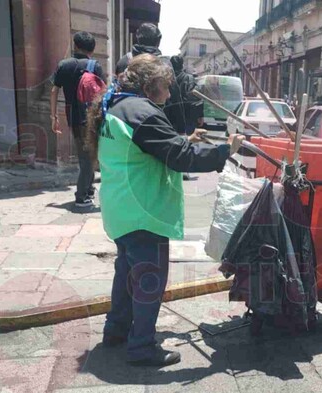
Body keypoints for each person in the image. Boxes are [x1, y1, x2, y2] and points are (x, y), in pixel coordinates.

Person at [86, 54, 245, 367]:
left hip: (122, 210)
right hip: (142, 212)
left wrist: (185, 138)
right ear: (150, 85)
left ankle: (116, 331)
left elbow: (151, 145)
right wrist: (226, 149)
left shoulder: (118, 105)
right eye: (166, 87)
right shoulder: (143, 112)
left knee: (126, 275)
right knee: (148, 280)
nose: (170, 94)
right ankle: (141, 348)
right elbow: (181, 157)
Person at [50, 31, 105, 208]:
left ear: (76, 46)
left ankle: (88, 190)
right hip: (91, 118)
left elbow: (54, 91)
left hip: (73, 117)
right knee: (88, 158)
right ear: (92, 48)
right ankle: (81, 196)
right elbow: (102, 93)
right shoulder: (94, 66)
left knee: (86, 155)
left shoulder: (63, 65)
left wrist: (54, 117)